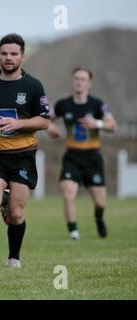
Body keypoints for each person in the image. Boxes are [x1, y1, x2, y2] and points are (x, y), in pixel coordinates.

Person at [0, 33, 50, 268]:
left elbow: (45, 121)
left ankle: (14, 257)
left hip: (23, 156)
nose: (8, 57)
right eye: (4, 53)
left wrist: (20, 124)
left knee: (15, 214)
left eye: (13, 54)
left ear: (22, 56)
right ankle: (4, 197)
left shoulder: (33, 85)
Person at [47, 67, 116, 240]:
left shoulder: (97, 104)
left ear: (89, 83)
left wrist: (97, 124)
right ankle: (73, 232)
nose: (79, 81)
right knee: (68, 193)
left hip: (93, 157)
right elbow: (46, 119)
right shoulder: (63, 104)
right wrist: (50, 127)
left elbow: (112, 126)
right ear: (73, 81)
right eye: (76, 78)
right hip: (72, 156)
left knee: (100, 202)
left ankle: (99, 218)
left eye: (83, 79)